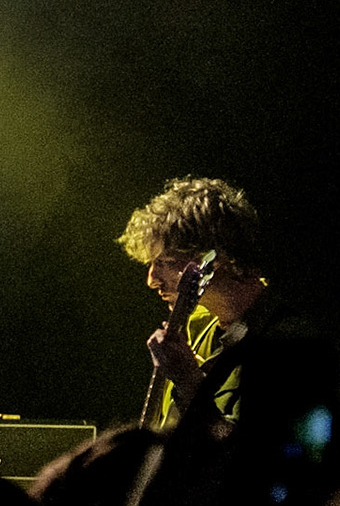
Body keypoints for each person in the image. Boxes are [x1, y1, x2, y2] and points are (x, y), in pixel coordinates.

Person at [118, 176, 283, 427]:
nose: (151, 280)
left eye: (166, 263)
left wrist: (188, 381)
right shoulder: (192, 328)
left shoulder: (286, 341)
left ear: (213, 259)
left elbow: (250, 456)